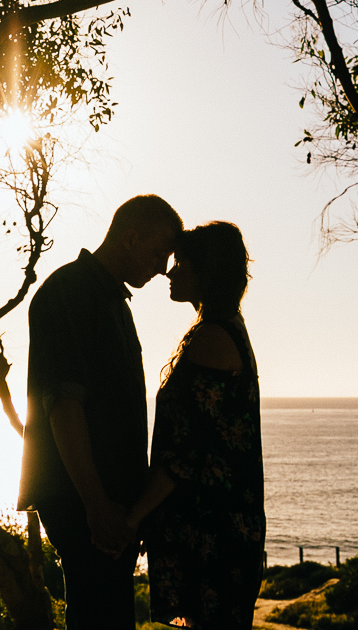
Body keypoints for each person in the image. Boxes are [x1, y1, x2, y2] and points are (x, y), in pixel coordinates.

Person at [18, 194, 183, 629]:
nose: (163, 267)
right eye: (158, 253)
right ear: (131, 237)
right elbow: (63, 404)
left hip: (109, 501)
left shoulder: (111, 300)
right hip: (84, 499)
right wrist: (96, 504)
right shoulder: (71, 292)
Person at [127, 221, 265, 630]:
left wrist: (132, 518)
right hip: (222, 529)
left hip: (214, 534)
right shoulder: (223, 329)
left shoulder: (212, 338)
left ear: (207, 270)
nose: (170, 272)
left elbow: (184, 455)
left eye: (181, 263)